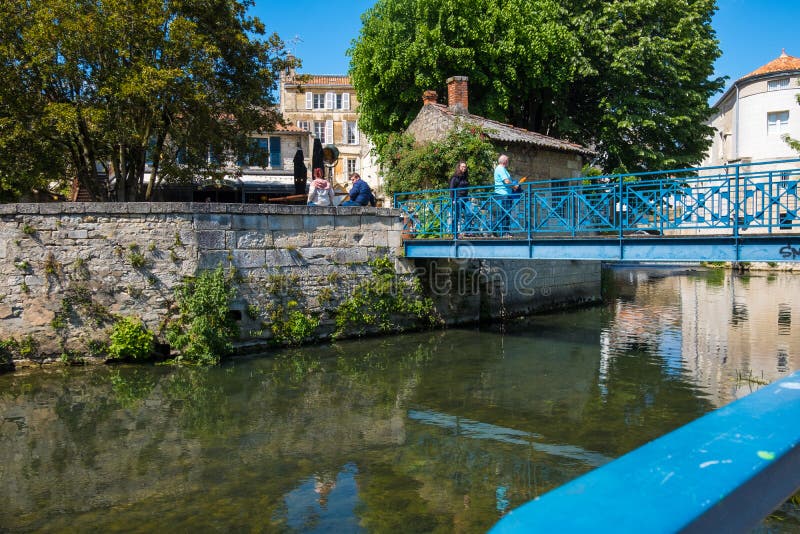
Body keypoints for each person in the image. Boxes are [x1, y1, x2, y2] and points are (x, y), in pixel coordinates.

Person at [493, 154, 518, 236]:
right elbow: (506, 181)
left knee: (506, 213)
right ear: (505, 161)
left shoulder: (502, 169)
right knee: (505, 213)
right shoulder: (500, 169)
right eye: (508, 161)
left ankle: (504, 230)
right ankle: (501, 231)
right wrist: (514, 186)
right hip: (503, 194)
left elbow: (508, 181)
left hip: (506, 194)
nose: (508, 162)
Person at [449, 161, 470, 236]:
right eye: (462, 167)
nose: (464, 168)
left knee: (469, 213)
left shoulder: (465, 176)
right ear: (459, 167)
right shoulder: (455, 177)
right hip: (457, 198)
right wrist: (452, 200)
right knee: (457, 215)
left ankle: (467, 231)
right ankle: (455, 232)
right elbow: (451, 189)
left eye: (465, 167)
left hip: (465, 198)